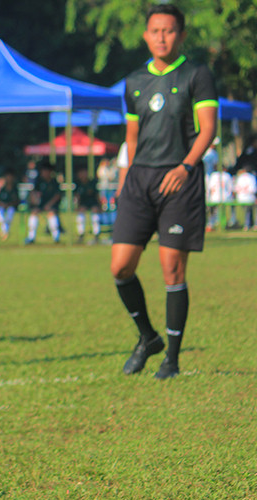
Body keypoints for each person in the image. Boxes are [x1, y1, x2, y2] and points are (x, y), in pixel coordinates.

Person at [111, 3, 218, 380]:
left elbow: (208, 129)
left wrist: (185, 166)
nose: (161, 37)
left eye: (169, 31)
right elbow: (131, 136)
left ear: (181, 35)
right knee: (120, 266)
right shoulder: (133, 81)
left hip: (180, 181)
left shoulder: (197, 75)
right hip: (139, 181)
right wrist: (124, 179)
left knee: (172, 269)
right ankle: (147, 337)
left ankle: (171, 359)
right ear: (145, 36)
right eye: (155, 30)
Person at [25, 160, 62, 244]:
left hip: (52, 205)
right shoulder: (39, 181)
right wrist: (35, 200)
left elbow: (57, 195)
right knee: (34, 213)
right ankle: (31, 237)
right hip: (41, 204)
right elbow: (33, 192)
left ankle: (56, 237)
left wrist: (49, 205)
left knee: (51, 214)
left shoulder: (54, 182)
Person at [74, 165, 103, 244]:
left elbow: (97, 195)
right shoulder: (78, 183)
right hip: (83, 203)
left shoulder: (92, 182)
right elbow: (77, 196)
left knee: (95, 215)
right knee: (80, 215)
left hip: (93, 202)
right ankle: (81, 234)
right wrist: (77, 206)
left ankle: (96, 234)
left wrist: (100, 206)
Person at [0, 168, 21, 241]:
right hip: (2, 207)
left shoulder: (15, 189)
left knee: (10, 212)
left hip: (11, 207)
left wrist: (8, 204)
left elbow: (17, 200)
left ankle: (4, 231)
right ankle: (5, 231)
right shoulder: (3, 188)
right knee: (0, 213)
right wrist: (2, 204)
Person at [232, 164, 256, 230]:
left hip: (240, 198)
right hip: (249, 198)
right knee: (251, 208)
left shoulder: (240, 177)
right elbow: (253, 190)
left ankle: (244, 224)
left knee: (246, 210)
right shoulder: (252, 177)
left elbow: (235, 189)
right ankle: (253, 225)